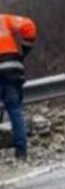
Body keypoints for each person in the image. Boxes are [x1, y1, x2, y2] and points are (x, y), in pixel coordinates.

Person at [0, 12, 38, 159]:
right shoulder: (4, 20)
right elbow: (29, 27)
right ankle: (21, 151)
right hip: (12, 70)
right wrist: (24, 51)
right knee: (15, 110)